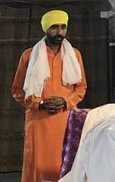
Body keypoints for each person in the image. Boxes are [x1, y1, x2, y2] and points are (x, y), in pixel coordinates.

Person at [12, 9, 87, 182]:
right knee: (37, 166)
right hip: (39, 120)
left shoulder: (74, 55)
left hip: (66, 118)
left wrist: (66, 101)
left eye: (63, 27)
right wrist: (40, 104)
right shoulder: (29, 55)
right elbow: (17, 91)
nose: (59, 32)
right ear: (46, 29)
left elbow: (81, 87)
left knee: (65, 163)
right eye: (54, 27)